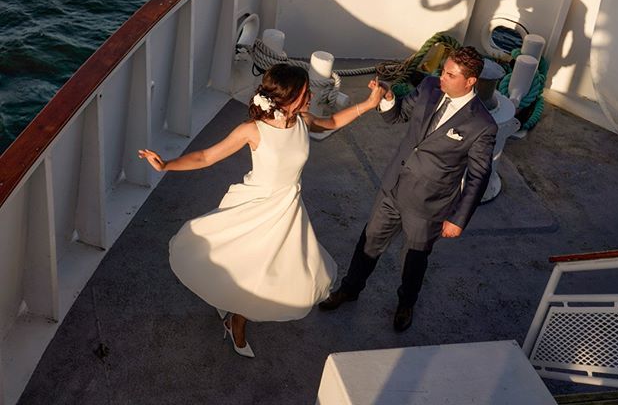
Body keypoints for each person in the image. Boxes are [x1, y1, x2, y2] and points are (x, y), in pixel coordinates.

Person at [139, 64, 386, 357]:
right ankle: (236, 321)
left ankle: (235, 316)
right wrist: (167, 164)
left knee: (267, 272)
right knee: (247, 266)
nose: (310, 97)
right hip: (255, 207)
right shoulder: (253, 131)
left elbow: (331, 121)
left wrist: (369, 104)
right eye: (305, 92)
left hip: (288, 211)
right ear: (286, 97)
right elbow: (206, 156)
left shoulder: (302, 120)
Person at [319, 46, 497, 332]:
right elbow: (397, 116)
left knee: (414, 260)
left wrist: (457, 219)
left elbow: (478, 176)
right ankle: (349, 289)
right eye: (443, 70)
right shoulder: (428, 87)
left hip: (430, 206)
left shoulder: (482, 125)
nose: (442, 77)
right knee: (369, 241)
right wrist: (389, 98)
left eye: (450, 75)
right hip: (393, 187)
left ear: (470, 81)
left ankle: (405, 304)